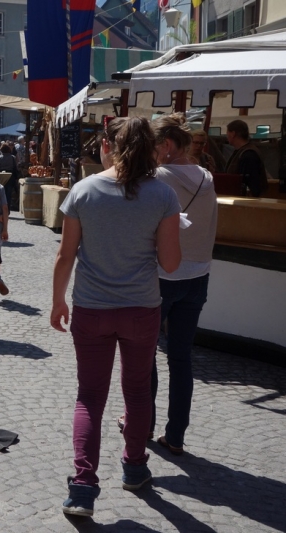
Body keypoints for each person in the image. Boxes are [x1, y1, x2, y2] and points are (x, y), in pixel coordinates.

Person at [50, 117, 181, 517]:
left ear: (108, 144)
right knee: (137, 391)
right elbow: (171, 264)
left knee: (90, 397)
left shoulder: (84, 190)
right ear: (154, 149)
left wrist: (58, 301)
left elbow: (65, 255)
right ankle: (135, 467)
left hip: (92, 306)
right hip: (141, 307)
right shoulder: (163, 195)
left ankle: (84, 487)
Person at [147, 113, 218, 456]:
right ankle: (176, 434)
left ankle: (142, 422)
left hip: (163, 275)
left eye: (153, 146)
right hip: (198, 275)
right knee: (181, 359)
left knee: (145, 354)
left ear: (168, 145)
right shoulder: (206, 177)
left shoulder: (159, 176)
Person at [225, 119, 268, 197]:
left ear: (233, 134)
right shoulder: (242, 152)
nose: (226, 135)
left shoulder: (249, 154)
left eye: (227, 132)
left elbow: (251, 184)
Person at [0, 143, 19, 212]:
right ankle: (7, 209)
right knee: (8, 193)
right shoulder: (12, 157)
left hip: (1, 176)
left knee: (1, 193)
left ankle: (0, 208)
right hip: (10, 176)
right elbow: (15, 168)